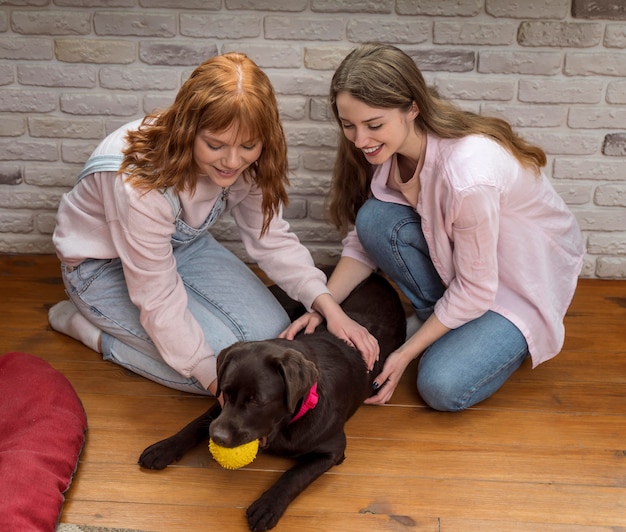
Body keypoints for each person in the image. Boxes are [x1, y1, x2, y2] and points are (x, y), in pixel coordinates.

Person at [48, 52, 378, 397]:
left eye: (248, 145)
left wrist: (328, 308)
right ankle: (88, 328)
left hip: (182, 249)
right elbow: (157, 296)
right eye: (215, 145)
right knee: (215, 369)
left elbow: (271, 239)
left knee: (270, 334)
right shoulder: (139, 186)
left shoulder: (248, 162)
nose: (233, 161)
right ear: (188, 129)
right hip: (101, 269)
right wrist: (213, 380)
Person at [282, 43, 585, 412]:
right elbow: (364, 242)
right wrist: (323, 308)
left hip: (517, 285)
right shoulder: (393, 152)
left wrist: (406, 353)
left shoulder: (468, 177)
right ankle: (446, 327)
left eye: (374, 125)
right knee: (375, 220)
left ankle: (487, 337)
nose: (360, 141)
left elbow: (477, 290)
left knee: (441, 386)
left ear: (412, 107)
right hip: (469, 268)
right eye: (349, 125)